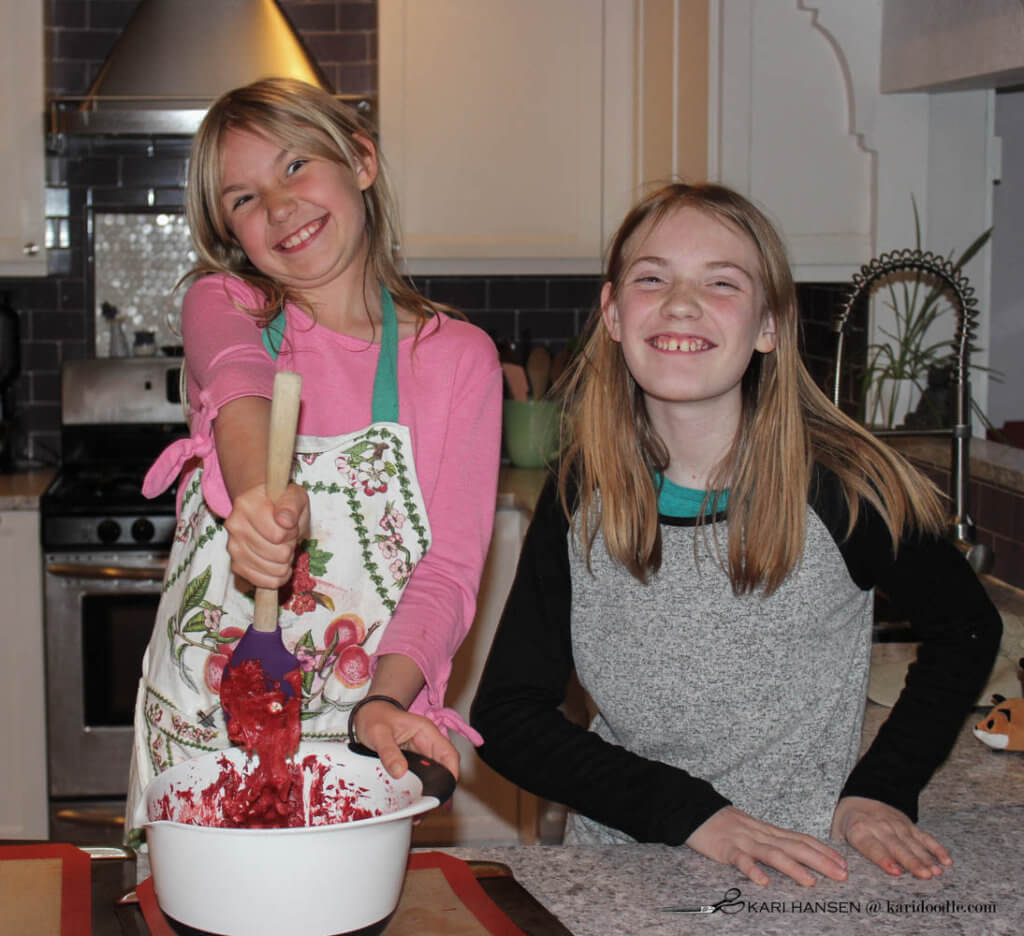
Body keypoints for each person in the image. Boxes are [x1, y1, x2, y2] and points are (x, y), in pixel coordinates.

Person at [470, 182, 1001, 887]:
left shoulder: (840, 485)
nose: (680, 301)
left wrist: (882, 786)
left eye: (721, 282)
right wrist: (690, 814)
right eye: (652, 277)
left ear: (769, 326)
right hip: (621, 869)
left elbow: (965, 630)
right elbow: (508, 714)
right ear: (614, 315)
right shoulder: (580, 491)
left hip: (802, 872)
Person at [127, 78, 502, 825]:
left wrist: (385, 701)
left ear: (360, 160)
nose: (278, 206)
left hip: (354, 731)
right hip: (200, 727)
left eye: (295, 166)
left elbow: (448, 574)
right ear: (232, 233)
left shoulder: (458, 360)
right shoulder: (225, 304)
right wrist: (256, 498)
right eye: (243, 198)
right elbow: (240, 388)